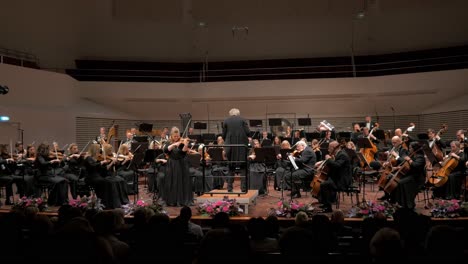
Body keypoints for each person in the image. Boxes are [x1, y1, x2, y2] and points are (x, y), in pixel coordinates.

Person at [315, 141, 352, 212]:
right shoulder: (338, 154)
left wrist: (328, 159)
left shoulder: (342, 155)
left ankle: (328, 207)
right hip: (337, 178)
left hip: (342, 181)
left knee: (324, 185)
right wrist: (323, 162)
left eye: (329, 148)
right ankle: (325, 203)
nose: (328, 150)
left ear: (334, 148)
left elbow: (336, 166)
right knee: (323, 182)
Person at [162, 127, 193, 206]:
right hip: (171, 165)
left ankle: (181, 200)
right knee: (172, 182)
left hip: (180, 164)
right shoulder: (168, 142)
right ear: (171, 136)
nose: (176, 137)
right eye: (174, 136)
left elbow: (183, 152)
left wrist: (186, 144)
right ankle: (172, 200)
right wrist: (174, 144)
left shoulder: (181, 142)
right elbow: (166, 150)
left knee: (180, 182)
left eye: (177, 136)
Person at [222, 108, 250, 192]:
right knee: (243, 167)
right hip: (241, 146)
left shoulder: (226, 120)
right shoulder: (243, 120)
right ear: (238, 113)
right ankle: (243, 189)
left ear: (230, 113)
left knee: (231, 167)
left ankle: (229, 188)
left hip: (230, 145)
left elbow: (223, 135)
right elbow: (248, 132)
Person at [391, 141, 425, 209]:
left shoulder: (420, 157)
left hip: (416, 178)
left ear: (414, 148)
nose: (409, 149)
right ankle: (397, 202)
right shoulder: (412, 155)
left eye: (410, 148)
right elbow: (406, 164)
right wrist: (397, 167)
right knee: (395, 180)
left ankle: (406, 204)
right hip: (410, 175)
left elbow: (415, 165)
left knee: (400, 183)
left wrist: (409, 160)